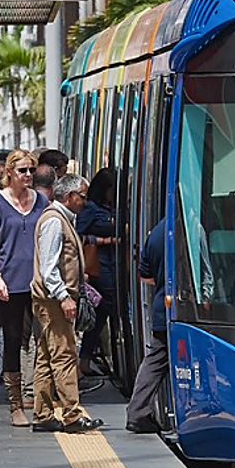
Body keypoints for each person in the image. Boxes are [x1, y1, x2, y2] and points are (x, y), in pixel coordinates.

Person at [30, 175, 103, 434]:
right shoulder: (54, 221)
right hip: (52, 301)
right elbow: (49, 268)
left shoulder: (60, 219)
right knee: (64, 355)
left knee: (46, 356)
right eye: (82, 196)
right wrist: (64, 297)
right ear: (69, 196)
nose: (84, 202)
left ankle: (43, 414)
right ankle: (72, 415)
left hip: (49, 300)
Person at [0, 149, 48, 427]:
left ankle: (43, 399)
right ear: (9, 172)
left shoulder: (42, 201)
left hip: (37, 281)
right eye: (22, 170)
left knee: (43, 339)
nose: (28, 176)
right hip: (9, 280)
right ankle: (15, 404)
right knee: (12, 340)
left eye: (31, 170)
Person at [126, 217, 168, 434]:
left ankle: (138, 411)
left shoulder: (155, 233)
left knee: (154, 362)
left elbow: (145, 275)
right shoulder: (190, 229)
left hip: (162, 307)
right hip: (185, 309)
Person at [77, 169, 117, 381]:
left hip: (114, 264)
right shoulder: (90, 209)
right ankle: (85, 356)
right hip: (98, 266)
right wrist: (104, 241)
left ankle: (87, 356)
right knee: (104, 306)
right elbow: (78, 235)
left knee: (105, 309)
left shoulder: (113, 207)